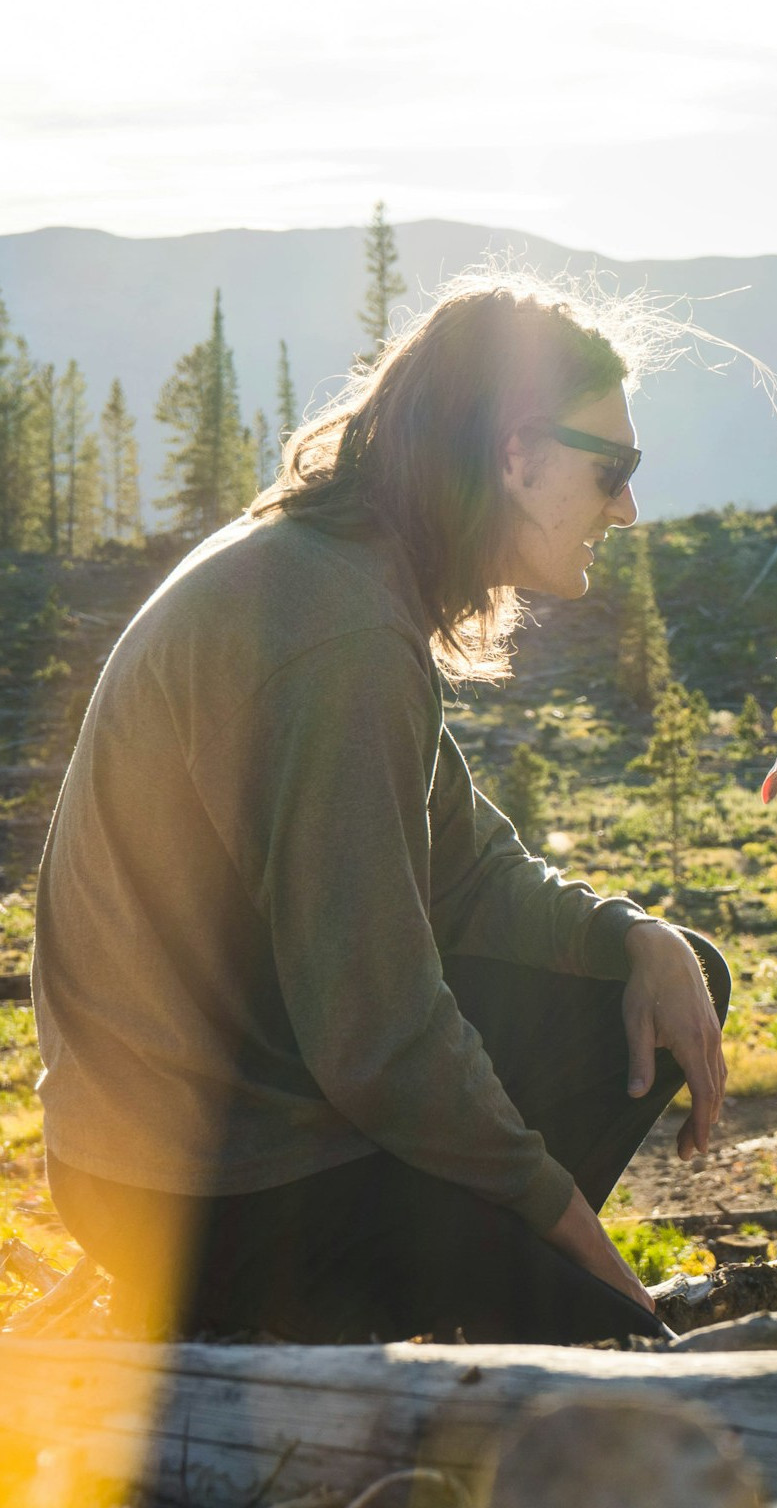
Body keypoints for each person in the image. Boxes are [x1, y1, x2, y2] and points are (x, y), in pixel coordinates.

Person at [31, 278, 729, 1345]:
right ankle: (433, 1330)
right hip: (204, 1193)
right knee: (608, 1346)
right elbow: (381, 1038)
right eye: (612, 470)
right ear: (512, 452)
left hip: (223, 1126)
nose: (625, 507)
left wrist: (629, 933)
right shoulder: (341, 634)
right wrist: (579, 1243)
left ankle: (464, 1300)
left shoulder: (345, 576)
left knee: (642, 976)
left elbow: (467, 868)